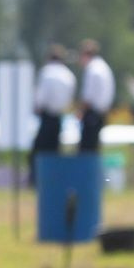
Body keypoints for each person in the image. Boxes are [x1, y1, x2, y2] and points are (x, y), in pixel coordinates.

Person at [31, 43, 73, 178]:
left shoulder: (47, 72)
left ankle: (37, 178)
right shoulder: (68, 75)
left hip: (47, 115)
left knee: (39, 149)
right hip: (59, 116)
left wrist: (37, 107)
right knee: (55, 150)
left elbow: (41, 95)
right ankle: (54, 177)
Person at [75, 40, 115, 156]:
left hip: (92, 115)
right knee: (94, 149)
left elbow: (88, 97)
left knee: (86, 150)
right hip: (101, 114)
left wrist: (80, 111)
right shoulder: (103, 67)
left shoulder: (92, 69)